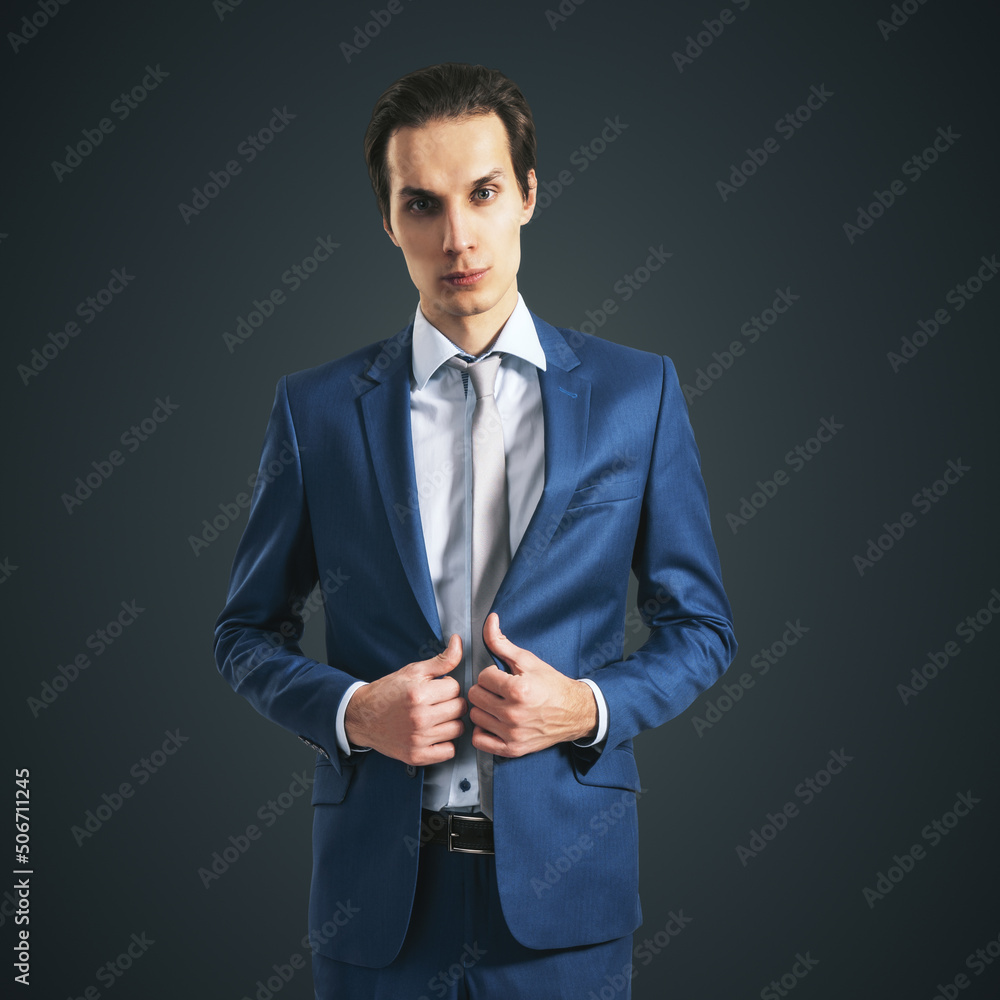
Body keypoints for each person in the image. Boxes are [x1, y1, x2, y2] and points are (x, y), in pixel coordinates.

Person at [214, 61, 737, 999]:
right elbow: (245, 633)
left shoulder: (638, 395)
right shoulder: (316, 411)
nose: (457, 238)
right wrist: (351, 712)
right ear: (388, 220)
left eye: (483, 193)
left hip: (566, 902)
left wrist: (588, 708)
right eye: (422, 204)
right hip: (375, 907)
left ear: (528, 195)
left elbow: (701, 628)